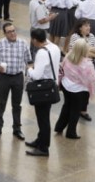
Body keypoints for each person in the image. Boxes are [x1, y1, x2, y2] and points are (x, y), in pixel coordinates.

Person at [0, 22, 31, 141]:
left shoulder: (23, 43)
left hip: (18, 77)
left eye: (14, 30)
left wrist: (29, 76)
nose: (13, 33)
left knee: (17, 104)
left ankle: (17, 129)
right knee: (1, 103)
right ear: (4, 33)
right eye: (9, 31)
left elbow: (29, 60)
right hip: (4, 77)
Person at [25, 28, 61, 157]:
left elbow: (37, 75)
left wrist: (29, 69)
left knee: (43, 119)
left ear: (34, 39)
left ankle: (44, 147)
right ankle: (40, 140)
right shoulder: (54, 47)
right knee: (44, 116)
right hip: (51, 85)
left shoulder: (41, 53)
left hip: (42, 89)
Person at [54, 39, 95, 140]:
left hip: (66, 86)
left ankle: (59, 127)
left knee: (66, 106)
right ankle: (71, 132)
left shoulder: (68, 56)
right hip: (79, 90)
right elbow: (92, 78)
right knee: (75, 111)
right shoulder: (87, 64)